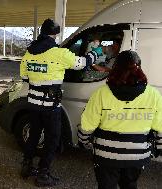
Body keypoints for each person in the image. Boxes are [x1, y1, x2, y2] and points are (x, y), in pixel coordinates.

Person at [20, 18, 103, 187]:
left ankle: (27, 166)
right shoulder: (59, 53)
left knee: (34, 135)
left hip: (33, 104)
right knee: (52, 139)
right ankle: (43, 174)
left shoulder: (28, 53)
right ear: (55, 35)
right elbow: (81, 64)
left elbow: (25, 77)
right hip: (50, 106)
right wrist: (95, 51)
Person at [78, 50, 162, 189]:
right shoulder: (153, 95)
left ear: (115, 68)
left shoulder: (101, 93)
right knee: (130, 185)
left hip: (106, 156)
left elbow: (87, 125)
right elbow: (160, 126)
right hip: (138, 155)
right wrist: (158, 147)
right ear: (139, 68)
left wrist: (84, 142)